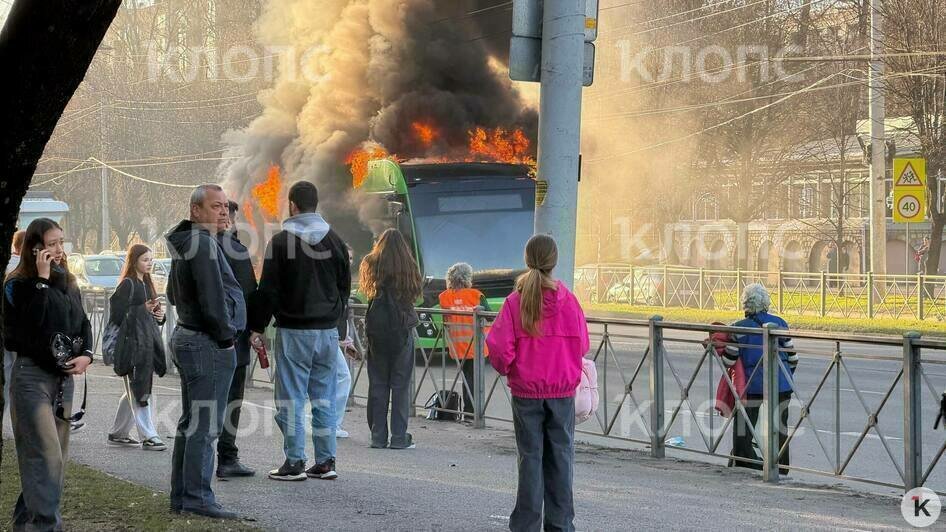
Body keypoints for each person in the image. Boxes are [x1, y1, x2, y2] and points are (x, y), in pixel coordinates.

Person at [486, 234, 589, 532]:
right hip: (562, 393)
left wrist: (510, 369)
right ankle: (560, 524)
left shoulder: (515, 302)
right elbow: (582, 345)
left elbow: (498, 348)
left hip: (526, 393)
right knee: (561, 459)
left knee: (530, 459)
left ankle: (526, 524)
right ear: (554, 261)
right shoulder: (569, 302)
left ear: (527, 259)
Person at [249, 181, 351, 481]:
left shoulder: (281, 243)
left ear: (292, 205)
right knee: (324, 398)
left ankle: (294, 462)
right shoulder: (334, 241)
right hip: (327, 332)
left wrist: (256, 326)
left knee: (291, 398)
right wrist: (339, 327)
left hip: (294, 331)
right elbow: (344, 288)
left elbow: (268, 289)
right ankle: (325, 461)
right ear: (315, 204)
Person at [5, 218, 93, 531]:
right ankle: (46, 525)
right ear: (36, 248)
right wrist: (41, 281)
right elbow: (27, 330)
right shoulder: (18, 284)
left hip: (64, 380)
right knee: (45, 458)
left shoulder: (67, 281)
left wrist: (87, 356)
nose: (59, 250)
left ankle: (24, 523)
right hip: (31, 378)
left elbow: (83, 324)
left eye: (61, 242)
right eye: (52, 243)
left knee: (53, 463)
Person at [166, 184, 246, 520]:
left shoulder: (190, 242)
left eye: (225, 206)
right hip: (206, 343)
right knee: (205, 425)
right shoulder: (202, 244)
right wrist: (227, 337)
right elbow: (213, 300)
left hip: (190, 337)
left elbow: (172, 293)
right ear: (195, 211)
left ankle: (183, 496)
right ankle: (198, 497)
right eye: (216, 207)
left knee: (191, 423)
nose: (224, 211)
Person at [722, 283, 797, 475]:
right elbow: (793, 358)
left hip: (751, 385)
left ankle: (745, 460)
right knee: (779, 426)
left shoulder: (738, 328)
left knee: (743, 426)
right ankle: (780, 467)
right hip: (781, 384)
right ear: (766, 303)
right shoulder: (780, 323)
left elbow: (729, 360)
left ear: (745, 304)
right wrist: (785, 377)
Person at [360, 228, 421, 450]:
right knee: (400, 384)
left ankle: (378, 436)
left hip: (377, 329)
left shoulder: (371, 262)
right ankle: (398, 437)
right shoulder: (408, 265)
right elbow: (415, 293)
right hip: (402, 328)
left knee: (378, 383)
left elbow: (367, 291)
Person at [107, 244, 168, 451]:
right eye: (144, 259)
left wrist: (160, 316)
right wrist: (142, 309)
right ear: (134, 262)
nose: (149, 263)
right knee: (140, 388)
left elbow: (152, 315)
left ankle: (118, 432)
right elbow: (116, 314)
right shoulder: (128, 284)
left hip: (146, 342)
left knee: (135, 388)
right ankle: (148, 435)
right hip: (130, 344)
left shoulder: (148, 283)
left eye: (151, 259)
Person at [215, 200, 258, 478]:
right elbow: (250, 295)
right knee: (231, 400)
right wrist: (256, 329)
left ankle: (199, 461)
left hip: (201, 339)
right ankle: (227, 457)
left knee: (202, 403)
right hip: (234, 340)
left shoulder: (190, 249)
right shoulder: (236, 252)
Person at [438, 262, 490, 421]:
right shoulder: (476, 295)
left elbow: (444, 320)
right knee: (474, 380)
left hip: (457, 347)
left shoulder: (444, 297)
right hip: (477, 346)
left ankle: (469, 412)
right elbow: (488, 316)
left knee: (467, 379)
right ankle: (473, 414)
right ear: (468, 278)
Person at [3, 229, 26, 410]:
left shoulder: (8, 262)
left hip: (6, 327)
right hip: (20, 330)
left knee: (7, 369)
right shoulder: (23, 267)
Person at [335, 244, 356, 439]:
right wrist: (341, 338)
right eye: (346, 258)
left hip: (336, 338)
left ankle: (329, 422)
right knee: (343, 377)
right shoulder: (336, 276)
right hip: (330, 337)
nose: (349, 262)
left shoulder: (343, 276)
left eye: (351, 259)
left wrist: (346, 340)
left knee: (332, 379)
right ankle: (332, 424)